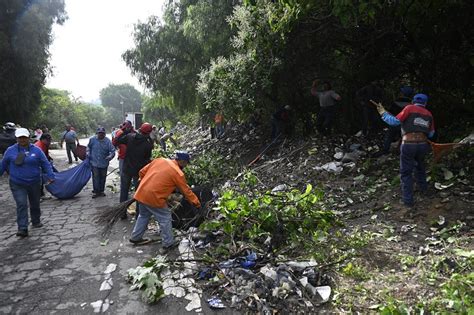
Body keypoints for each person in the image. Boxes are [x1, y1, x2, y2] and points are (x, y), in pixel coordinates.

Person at [129, 151, 201, 251]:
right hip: (154, 197)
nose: (186, 165)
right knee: (165, 218)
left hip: (141, 193)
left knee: (143, 215)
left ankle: (135, 237)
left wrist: (146, 182)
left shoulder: (159, 160)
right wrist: (196, 203)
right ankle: (168, 243)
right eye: (186, 163)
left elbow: (141, 172)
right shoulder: (178, 173)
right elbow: (186, 191)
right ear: (182, 161)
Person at [375, 93, 434, 210]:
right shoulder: (429, 114)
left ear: (413, 101)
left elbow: (394, 122)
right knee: (420, 168)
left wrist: (383, 113)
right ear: (425, 103)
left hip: (409, 144)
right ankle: (424, 191)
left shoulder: (409, 108)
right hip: (422, 145)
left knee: (406, 172)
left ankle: (408, 201)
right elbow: (431, 134)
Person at [0, 128, 55, 237]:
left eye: (24, 137)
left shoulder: (36, 150)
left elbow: (45, 163)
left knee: (35, 203)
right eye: (20, 137)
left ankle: (36, 220)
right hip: (17, 183)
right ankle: (23, 228)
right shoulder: (10, 151)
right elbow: (3, 164)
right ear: (16, 138)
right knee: (21, 204)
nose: (22, 140)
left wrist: (50, 176)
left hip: (34, 182)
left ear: (28, 137)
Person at [117, 122, 154, 204]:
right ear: (149, 133)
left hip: (127, 169)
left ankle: (122, 213)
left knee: (124, 190)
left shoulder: (130, 136)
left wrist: (126, 131)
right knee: (138, 193)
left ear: (140, 129)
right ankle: (138, 214)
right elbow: (147, 159)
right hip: (138, 171)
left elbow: (118, 140)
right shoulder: (147, 144)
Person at [373, 86, 414, 157]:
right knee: (403, 137)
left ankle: (385, 149)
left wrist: (384, 110)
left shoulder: (397, 102)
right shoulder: (412, 104)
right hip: (406, 125)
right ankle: (401, 150)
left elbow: (391, 112)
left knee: (389, 136)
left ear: (402, 93)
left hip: (396, 123)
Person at [87, 127, 115, 198]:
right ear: (97, 133)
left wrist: (110, 156)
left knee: (103, 177)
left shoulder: (107, 141)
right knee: (95, 177)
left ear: (105, 134)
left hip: (104, 163)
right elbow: (88, 147)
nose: (101, 135)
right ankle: (96, 191)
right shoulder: (92, 140)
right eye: (99, 133)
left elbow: (112, 151)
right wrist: (88, 153)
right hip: (94, 162)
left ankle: (101, 191)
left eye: (102, 133)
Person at [35, 133, 54, 197]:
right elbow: (39, 158)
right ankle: (38, 195)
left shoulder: (45, 144)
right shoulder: (39, 146)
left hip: (42, 163)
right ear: (43, 139)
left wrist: (49, 158)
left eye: (50, 140)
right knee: (39, 180)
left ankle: (41, 194)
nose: (49, 141)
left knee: (42, 179)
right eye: (48, 140)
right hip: (36, 165)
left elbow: (45, 154)